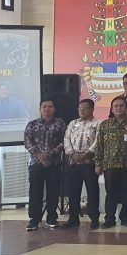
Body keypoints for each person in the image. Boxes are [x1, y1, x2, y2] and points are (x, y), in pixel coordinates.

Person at [95, 96, 127, 228]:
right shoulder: (105, 125)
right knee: (111, 193)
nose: (118, 108)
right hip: (110, 164)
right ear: (112, 109)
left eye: (121, 105)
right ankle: (109, 218)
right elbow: (99, 145)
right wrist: (98, 163)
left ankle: (125, 217)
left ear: (126, 108)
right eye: (116, 106)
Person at [23, 98, 66, 231]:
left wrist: (49, 155)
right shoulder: (32, 124)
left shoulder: (60, 124)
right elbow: (28, 142)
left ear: (54, 109)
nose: (47, 109)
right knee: (35, 191)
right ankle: (34, 220)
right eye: (44, 107)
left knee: (53, 191)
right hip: (36, 163)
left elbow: (64, 142)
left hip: (54, 163)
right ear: (40, 109)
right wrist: (40, 156)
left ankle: (51, 218)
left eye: (50, 107)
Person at [61, 99, 101, 229]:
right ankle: (73, 218)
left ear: (92, 109)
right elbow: (66, 139)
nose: (81, 110)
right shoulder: (73, 123)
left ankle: (94, 218)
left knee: (92, 191)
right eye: (80, 108)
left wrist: (86, 154)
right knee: (73, 191)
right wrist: (72, 153)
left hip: (89, 161)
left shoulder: (98, 123)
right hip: (73, 161)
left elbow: (98, 141)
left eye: (85, 108)